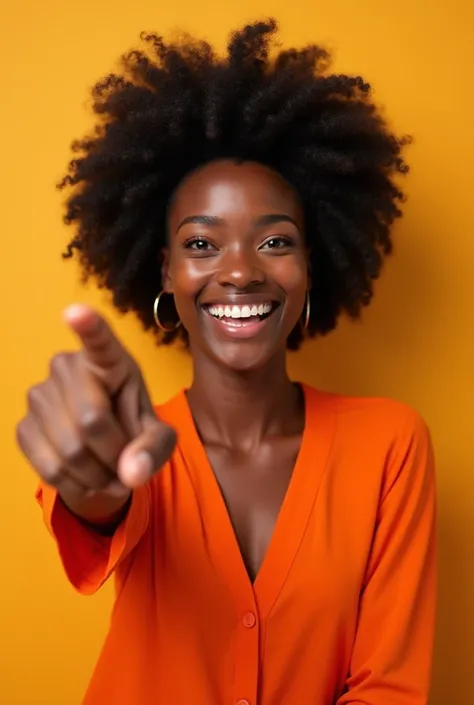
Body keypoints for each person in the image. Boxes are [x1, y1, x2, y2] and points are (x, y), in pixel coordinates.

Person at [16, 18, 437, 705]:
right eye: (202, 244)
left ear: (312, 265)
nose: (239, 272)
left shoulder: (390, 445)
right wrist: (91, 479)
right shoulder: (134, 441)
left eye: (275, 242)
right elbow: (101, 500)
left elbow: (389, 687)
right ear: (167, 272)